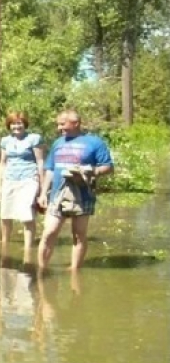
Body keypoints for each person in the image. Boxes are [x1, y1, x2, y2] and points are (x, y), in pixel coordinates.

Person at [37, 109, 114, 270]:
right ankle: (41, 270)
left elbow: (108, 167)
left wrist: (90, 171)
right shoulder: (58, 143)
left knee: (79, 235)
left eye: (62, 124)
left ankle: (74, 271)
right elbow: (50, 169)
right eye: (58, 125)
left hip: (82, 195)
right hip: (57, 195)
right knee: (48, 233)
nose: (59, 128)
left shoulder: (95, 142)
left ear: (76, 123)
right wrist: (43, 193)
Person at [0, 111, 45, 261]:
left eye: (19, 123)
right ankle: (5, 244)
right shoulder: (5, 141)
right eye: (13, 123)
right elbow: (3, 162)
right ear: (9, 125)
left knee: (26, 214)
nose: (17, 126)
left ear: (25, 124)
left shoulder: (34, 139)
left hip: (28, 179)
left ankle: (28, 250)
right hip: (10, 179)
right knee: (5, 214)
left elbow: (40, 162)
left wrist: (42, 188)